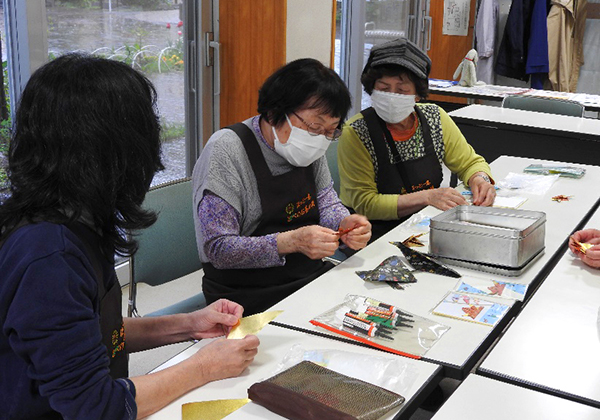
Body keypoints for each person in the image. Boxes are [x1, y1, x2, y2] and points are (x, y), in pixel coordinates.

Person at [0, 54, 259, 420]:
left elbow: (90, 335)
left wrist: (187, 324)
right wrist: (204, 367)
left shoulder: (74, 217)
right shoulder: (48, 258)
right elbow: (97, 406)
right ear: (114, 151)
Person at [193, 58, 372, 316]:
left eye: (331, 130)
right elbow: (219, 249)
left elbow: (327, 204)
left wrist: (345, 225)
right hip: (245, 296)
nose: (321, 138)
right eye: (314, 126)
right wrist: (290, 242)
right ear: (277, 110)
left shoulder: (311, 146)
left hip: (306, 280)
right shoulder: (227, 150)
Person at [338, 38, 496, 241]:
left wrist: (480, 179)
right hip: (372, 236)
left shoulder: (434, 118)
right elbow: (365, 203)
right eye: (384, 89)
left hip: (423, 227)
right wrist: (428, 196)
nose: (392, 96)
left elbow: (470, 162)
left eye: (402, 90)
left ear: (417, 94)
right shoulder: (357, 132)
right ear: (372, 89)